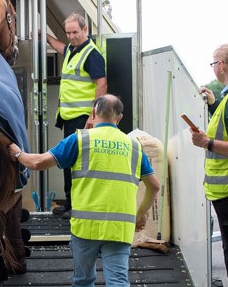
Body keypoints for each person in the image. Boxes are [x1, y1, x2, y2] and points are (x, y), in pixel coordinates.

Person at [9, 94, 159, 286]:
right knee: (118, 281)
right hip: (119, 229)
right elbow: (154, 185)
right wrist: (140, 215)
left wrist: (17, 153)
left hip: (86, 228)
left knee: (83, 280)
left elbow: (37, 163)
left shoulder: (79, 140)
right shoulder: (135, 146)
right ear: (119, 118)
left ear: (93, 113)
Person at [46, 12, 108, 217]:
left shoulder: (92, 53)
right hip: (69, 116)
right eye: (68, 33)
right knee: (69, 159)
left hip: (82, 118)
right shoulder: (73, 50)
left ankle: (78, 206)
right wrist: (44, 37)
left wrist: (94, 116)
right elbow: (60, 47)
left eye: (75, 32)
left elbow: (102, 84)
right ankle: (70, 202)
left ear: (85, 30)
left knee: (77, 162)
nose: (71, 36)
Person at [189, 43, 228, 287]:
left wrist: (207, 143)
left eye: (213, 63)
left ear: (220, 66)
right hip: (227, 191)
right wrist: (212, 104)